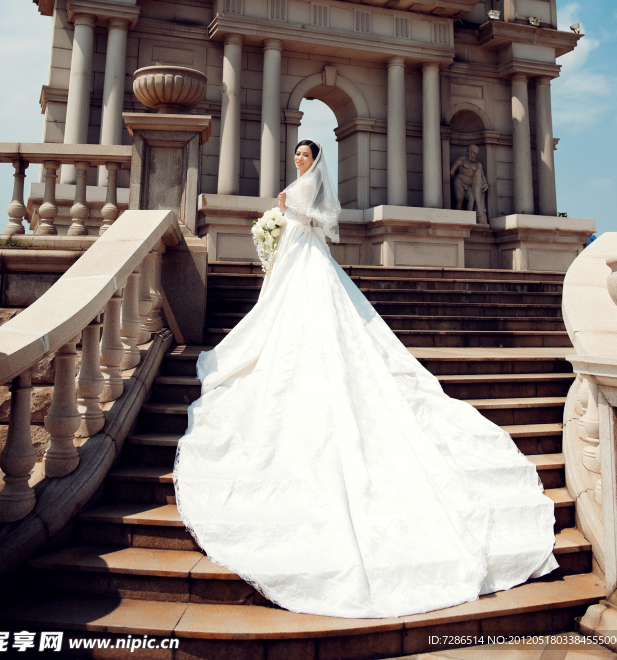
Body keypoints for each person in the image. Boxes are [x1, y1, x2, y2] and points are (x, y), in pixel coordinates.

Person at [174, 140, 556, 620]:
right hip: (295, 259)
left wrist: (289, 214)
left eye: (305, 155)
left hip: (309, 257)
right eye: (296, 154)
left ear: (316, 159)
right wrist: (279, 223)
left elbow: (323, 221)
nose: (299, 159)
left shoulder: (311, 186)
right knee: (288, 322)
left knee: (322, 325)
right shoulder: (300, 182)